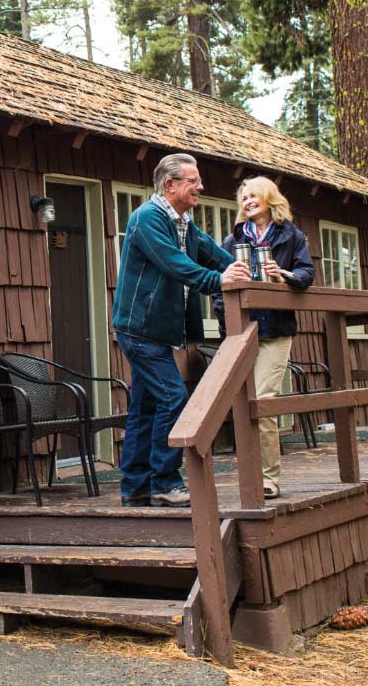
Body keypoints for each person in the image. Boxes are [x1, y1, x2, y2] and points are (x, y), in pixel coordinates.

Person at [111, 154, 252, 507]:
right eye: (193, 181)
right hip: (140, 330)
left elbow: (212, 253)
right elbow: (177, 266)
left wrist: (248, 271)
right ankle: (164, 480)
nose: (200, 187)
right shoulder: (148, 219)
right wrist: (220, 281)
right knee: (173, 398)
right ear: (170, 184)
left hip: (156, 333)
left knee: (145, 409)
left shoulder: (184, 222)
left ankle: (135, 486)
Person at [212, 175, 316, 500]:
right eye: (244, 198)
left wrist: (284, 276)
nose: (247, 201)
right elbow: (220, 288)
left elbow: (306, 274)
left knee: (264, 402)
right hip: (243, 331)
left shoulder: (291, 236)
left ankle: (268, 477)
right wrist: (226, 325)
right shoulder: (232, 242)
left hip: (276, 331)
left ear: (269, 198)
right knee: (245, 403)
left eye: (253, 195)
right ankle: (250, 474)